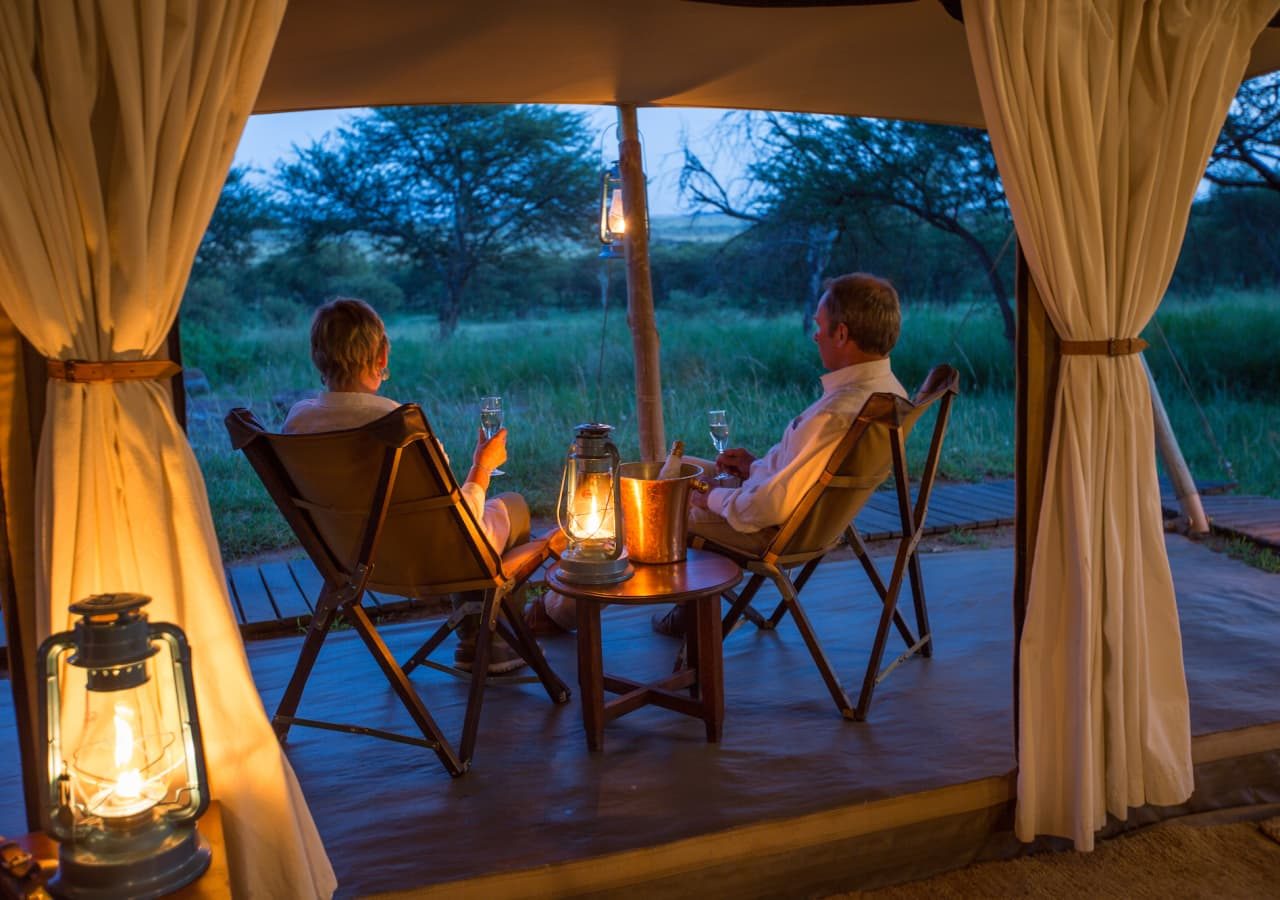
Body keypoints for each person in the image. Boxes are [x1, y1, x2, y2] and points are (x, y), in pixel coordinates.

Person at [525, 272, 907, 637]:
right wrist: (755, 466)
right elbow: (805, 475)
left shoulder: (838, 412)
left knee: (652, 511)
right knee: (665, 472)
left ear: (842, 333)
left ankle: (556, 611)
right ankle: (677, 612)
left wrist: (712, 497)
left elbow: (770, 507)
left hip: (770, 531)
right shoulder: (886, 392)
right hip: (799, 516)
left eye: (819, 326)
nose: (815, 335)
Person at [283, 297, 531, 673]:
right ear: (382, 356)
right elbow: (459, 519)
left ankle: (476, 641)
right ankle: (489, 644)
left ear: (318, 356)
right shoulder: (398, 425)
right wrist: (482, 466)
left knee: (478, 520)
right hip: (434, 560)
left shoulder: (298, 422)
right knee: (512, 505)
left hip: (350, 563)